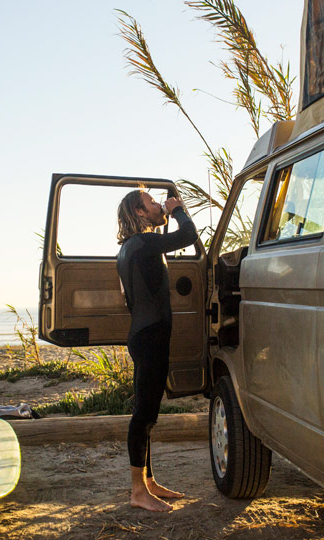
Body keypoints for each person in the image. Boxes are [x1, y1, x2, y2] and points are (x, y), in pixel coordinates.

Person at [116, 188, 197, 512]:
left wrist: (164, 214)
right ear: (138, 212)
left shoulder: (131, 247)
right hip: (149, 338)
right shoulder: (146, 244)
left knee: (148, 415)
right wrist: (176, 209)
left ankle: (148, 482)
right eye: (152, 203)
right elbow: (188, 235)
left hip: (146, 335)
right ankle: (137, 491)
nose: (157, 205)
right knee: (143, 415)